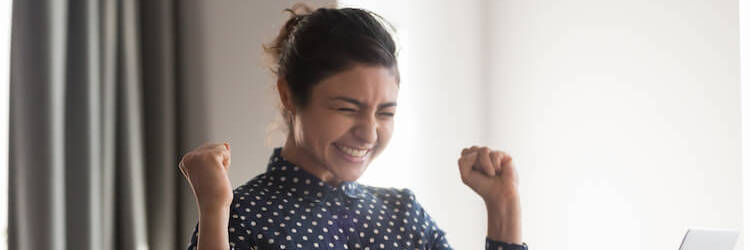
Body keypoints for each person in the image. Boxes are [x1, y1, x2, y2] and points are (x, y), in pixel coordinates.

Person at [179, 4, 527, 250]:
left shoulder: (404, 217)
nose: (369, 132)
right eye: (347, 108)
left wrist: (503, 207)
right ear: (288, 94)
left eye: (385, 113)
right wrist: (214, 211)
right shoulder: (240, 216)